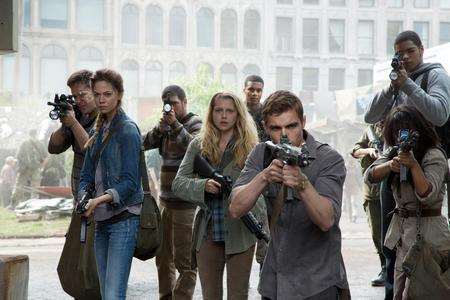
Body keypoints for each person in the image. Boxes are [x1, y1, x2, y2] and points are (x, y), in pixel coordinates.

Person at [229, 90, 350, 299]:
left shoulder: (328, 159)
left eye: (291, 126)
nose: (284, 135)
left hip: (317, 281)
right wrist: (264, 177)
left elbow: (326, 220)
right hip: (275, 280)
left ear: (303, 122)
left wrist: (302, 183)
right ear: (266, 128)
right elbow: (235, 207)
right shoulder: (261, 153)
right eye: (276, 128)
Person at [364, 30, 450, 300]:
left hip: (427, 161)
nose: (405, 57)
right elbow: (370, 115)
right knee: (392, 237)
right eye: (399, 53)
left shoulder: (435, 75)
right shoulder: (397, 82)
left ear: (422, 50)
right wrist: (393, 86)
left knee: (426, 237)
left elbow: (440, 113)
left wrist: (408, 86)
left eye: (410, 51)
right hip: (395, 164)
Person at [172, 92, 264, 299]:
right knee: (210, 294)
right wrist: (203, 186)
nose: (223, 116)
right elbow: (178, 183)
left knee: (238, 294)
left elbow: (261, 193)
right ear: (211, 113)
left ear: (238, 114)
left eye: (229, 111)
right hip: (209, 230)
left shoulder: (251, 147)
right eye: (218, 110)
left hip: (241, 229)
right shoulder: (199, 144)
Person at [78, 68, 143, 299]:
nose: (101, 99)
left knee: (114, 294)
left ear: (119, 95)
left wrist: (99, 199)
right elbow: (85, 175)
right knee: (106, 294)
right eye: (97, 94)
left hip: (123, 220)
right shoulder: (98, 129)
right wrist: (83, 197)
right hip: (101, 220)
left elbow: (130, 183)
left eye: (107, 94)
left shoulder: (127, 130)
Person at [143, 85, 202, 300]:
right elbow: (142, 143)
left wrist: (175, 125)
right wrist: (160, 129)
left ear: (185, 102)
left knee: (185, 261)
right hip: (165, 203)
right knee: (163, 257)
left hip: (186, 205)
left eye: (175, 103)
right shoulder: (166, 127)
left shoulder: (195, 123)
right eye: (167, 105)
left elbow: (197, 150)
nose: (171, 109)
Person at [48, 70, 101, 299]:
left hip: (102, 202)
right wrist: (65, 123)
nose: (79, 100)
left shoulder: (105, 116)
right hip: (81, 199)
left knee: (94, 263)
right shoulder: (79, 116)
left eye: (83, 95)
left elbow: (93, 150)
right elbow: (53, 147)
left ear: (94, 91)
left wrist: (74, 123)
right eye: (75, 96)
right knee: (78, 260)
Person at [352, 121, 386, 287]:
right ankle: (384, 268)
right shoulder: (370, 131)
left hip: (392, 190)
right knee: (376, 232)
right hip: (372, 191)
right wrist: (369, 150)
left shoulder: (397, 124)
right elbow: (355, 151)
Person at [243, 74, 270, 269]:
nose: (254, 93)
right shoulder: (237, 111)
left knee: (264, 225)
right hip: (240, 173)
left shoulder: (266, 113)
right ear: (244, 89)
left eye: (258, 90)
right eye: (251, 89)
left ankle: (264, 268)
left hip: (263, 173)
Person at [10, 129, 47, 207]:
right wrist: (41, 166)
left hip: (25, 168)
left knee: (19, 186)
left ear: (29, 134)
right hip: (36, 169)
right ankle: (34, 204)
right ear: (36, 134)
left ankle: (14, 204)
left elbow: (18, 156)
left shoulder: (24, 143)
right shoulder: (40, 144)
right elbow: (45, 157)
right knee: (36, 188)